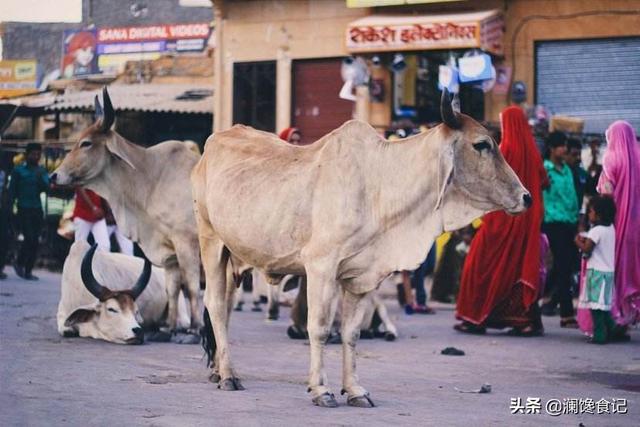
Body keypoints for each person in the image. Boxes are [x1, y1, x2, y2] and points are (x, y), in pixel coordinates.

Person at [454, 106, 547, 336]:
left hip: (503, 221)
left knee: (479, 264)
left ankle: (476, 316)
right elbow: (544, 182)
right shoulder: (533, 153)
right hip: (526, 223)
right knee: (517, 267)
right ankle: (522, 319)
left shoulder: (505, 150)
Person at [597, 120, 640, 328]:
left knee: (612, 268)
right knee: (632, 268)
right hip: (637, 226)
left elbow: (606, 193)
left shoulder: (611, 158)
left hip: (616, 224)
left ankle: (615, 317)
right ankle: (629, 313)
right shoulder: (639, 159)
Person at [575, 195, 629, 343]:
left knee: (595, 308)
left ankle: (600, 335)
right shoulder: (611, 228)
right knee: (603, 307)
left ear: (599, 214)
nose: (589, 215)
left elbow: (587, 250)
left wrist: (577, 242)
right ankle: (612, 328)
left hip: (596, 273)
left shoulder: (596, 231)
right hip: (608, 273)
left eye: (591, 212)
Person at [540, 131, 580, 327]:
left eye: (565, 145)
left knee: (565, 266)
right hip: (551, 223)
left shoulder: (566, 170)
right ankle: (566, 314)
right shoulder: (545, 169)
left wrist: (576, 222)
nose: (565, 149)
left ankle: (546, 299)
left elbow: (573, 198)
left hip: (568, 224)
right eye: (561, 145)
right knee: (563, 266)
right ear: (551, 149)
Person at [8, 143, 50, 280]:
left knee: (35, 240)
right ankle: (19, 262)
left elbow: (47, 189)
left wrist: (43, 181)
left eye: (38, 154)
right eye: (33, 154)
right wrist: (10, 210)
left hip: (37, 208)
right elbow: (12, 192)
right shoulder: (18, 171)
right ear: (27, 155)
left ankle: (28, 270)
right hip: (23, 208)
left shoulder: (41, 171)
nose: (36, 156)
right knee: (29, 238)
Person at [566, 138, 588, 211]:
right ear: (565, 155)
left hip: (577, 215)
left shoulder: (582, 173)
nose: (578, 158)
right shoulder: (557, 174)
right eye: (574, 155)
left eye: (579, 154)